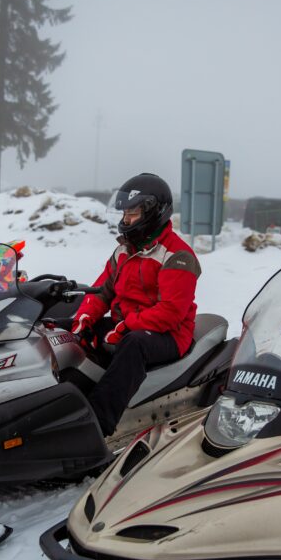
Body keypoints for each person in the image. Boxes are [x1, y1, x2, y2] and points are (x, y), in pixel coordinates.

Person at [72, 173, 201, 437]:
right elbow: (101, 291)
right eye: (124, 213)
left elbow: (170, 313)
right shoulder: (124, 250)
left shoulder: (178, 255)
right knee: (65, 330)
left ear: (154, 212)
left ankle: (95, 428)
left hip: (169, 335)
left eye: (132, 213)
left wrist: (124, 328)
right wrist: (84, 318)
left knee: (134, 345)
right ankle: (65, 402)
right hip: (129, 323)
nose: (125, 219)